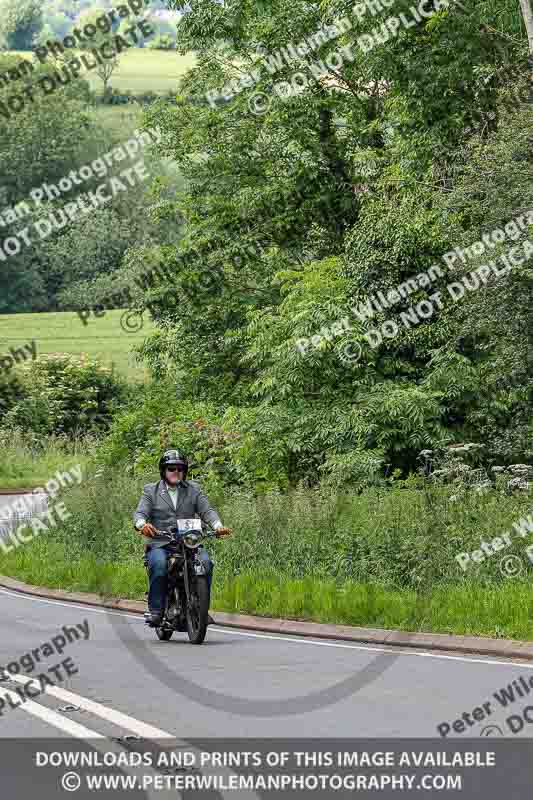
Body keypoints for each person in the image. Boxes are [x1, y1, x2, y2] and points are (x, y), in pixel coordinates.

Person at [133, 449, 232, 626]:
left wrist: (218, 526)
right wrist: (142, 525)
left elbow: (207, 511)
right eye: (171, 469)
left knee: (206, 563)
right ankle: (156, 610)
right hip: (161, 542)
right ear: (164, 471)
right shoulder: (151, 491)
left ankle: (202, 611)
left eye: (179, 468)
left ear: (184, 471)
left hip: (189, 542)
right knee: (159, 565)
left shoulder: (194, 489)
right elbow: (140, 513)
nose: (175, 472)